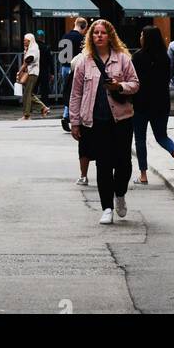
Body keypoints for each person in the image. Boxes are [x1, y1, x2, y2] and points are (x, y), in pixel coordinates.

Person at [69, 19, 139, 224]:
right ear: (91, 37)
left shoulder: (123, 59)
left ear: (110, 36)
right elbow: (76, 94)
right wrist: (75, 121)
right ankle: (107, 207)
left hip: (122, 118)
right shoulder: (84, 62)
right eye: (95, 33)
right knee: (103, 165)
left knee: (124, 163)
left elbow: (135, 84)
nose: (99, 36)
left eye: (103, 33)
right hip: (96, 120)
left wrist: (119, 87)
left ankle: (120, 194)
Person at [131, 26, 174, 183]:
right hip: (161, 102)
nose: (140, 37)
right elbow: (167, 78)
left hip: (141, 103)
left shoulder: (137, 57)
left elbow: (133, 80)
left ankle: (143, 175)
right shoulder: (164, 57)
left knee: (140, 139)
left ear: (146, 38)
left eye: (142, 35)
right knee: (161, 136)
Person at [64, 49, 94, 185]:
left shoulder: (116, 57)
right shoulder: (81, 61)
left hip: (105, 112)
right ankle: (83, 175)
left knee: (100, 146)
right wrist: (74, 121)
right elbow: (75, 94)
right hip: (85, 112)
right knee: (85, 144)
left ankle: (85, 175)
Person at [18, 33, 49, 120]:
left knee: (27, 94)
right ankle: (43, 108)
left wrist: (19, 71)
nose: (24, 42)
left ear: (30, 41)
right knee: (29, 93)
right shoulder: (30, 48)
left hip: (32, 73)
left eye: (26, 40)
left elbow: (28, 61)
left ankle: (26, 115)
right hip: (30, 73)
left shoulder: (33, 49)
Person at [36, 29, 53, 106]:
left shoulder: (34, 47)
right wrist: (52, 73)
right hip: (44, 71)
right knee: (44, 90)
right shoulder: (46, 47)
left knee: (33, 89)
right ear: (43, 37)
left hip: (35, 70)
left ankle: (32, 105)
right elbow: (50, 61)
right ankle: (45, 105)